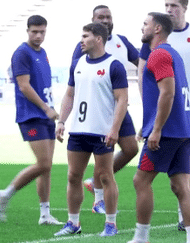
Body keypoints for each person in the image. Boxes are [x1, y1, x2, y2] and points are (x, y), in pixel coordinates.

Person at [54, 23, 128, 237]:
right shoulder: (77, 64)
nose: (82, 40)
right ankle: (73, 223)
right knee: (73, 176)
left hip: (102, 132)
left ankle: (111, 224)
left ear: (98, 39)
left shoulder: (114, 65)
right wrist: (61, 122)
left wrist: (114, 129)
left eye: (85, 36)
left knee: (106, 177)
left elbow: (122, 99)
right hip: (78, 131)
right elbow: (69, 95)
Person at [0, 15, 62, 226]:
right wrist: (45, 108)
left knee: (46, 167)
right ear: (27, 30)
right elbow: (24, 86)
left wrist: (51, 109)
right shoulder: (22, 53)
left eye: (42, 31)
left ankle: (44, 214)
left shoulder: (43, 53)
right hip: (32, 115)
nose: (38, 35)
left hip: (45, 115)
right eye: (34, 31)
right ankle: (6, 194)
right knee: (43, 163)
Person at [128, 12, 190, 243]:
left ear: (156, 29)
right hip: (183, 130)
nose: (141, 28)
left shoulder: (158, 55)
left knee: (140, 180)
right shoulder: (173, 53)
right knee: (181, 185)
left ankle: (141, 237)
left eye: (145, 24)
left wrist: (155, 129)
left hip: (167, 132)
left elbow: (168, 93)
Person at [72, 5, 139, 214]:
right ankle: (99, 199)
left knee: (131, 149)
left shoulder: (122, 42)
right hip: (96, 110)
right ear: (93, 20)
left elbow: (142, 62)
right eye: (100, 17)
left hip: (118, 106)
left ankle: (95, 182)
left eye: (108, 17)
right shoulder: (83, 45)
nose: (106, 20)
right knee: (99, 155)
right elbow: (76, 77)